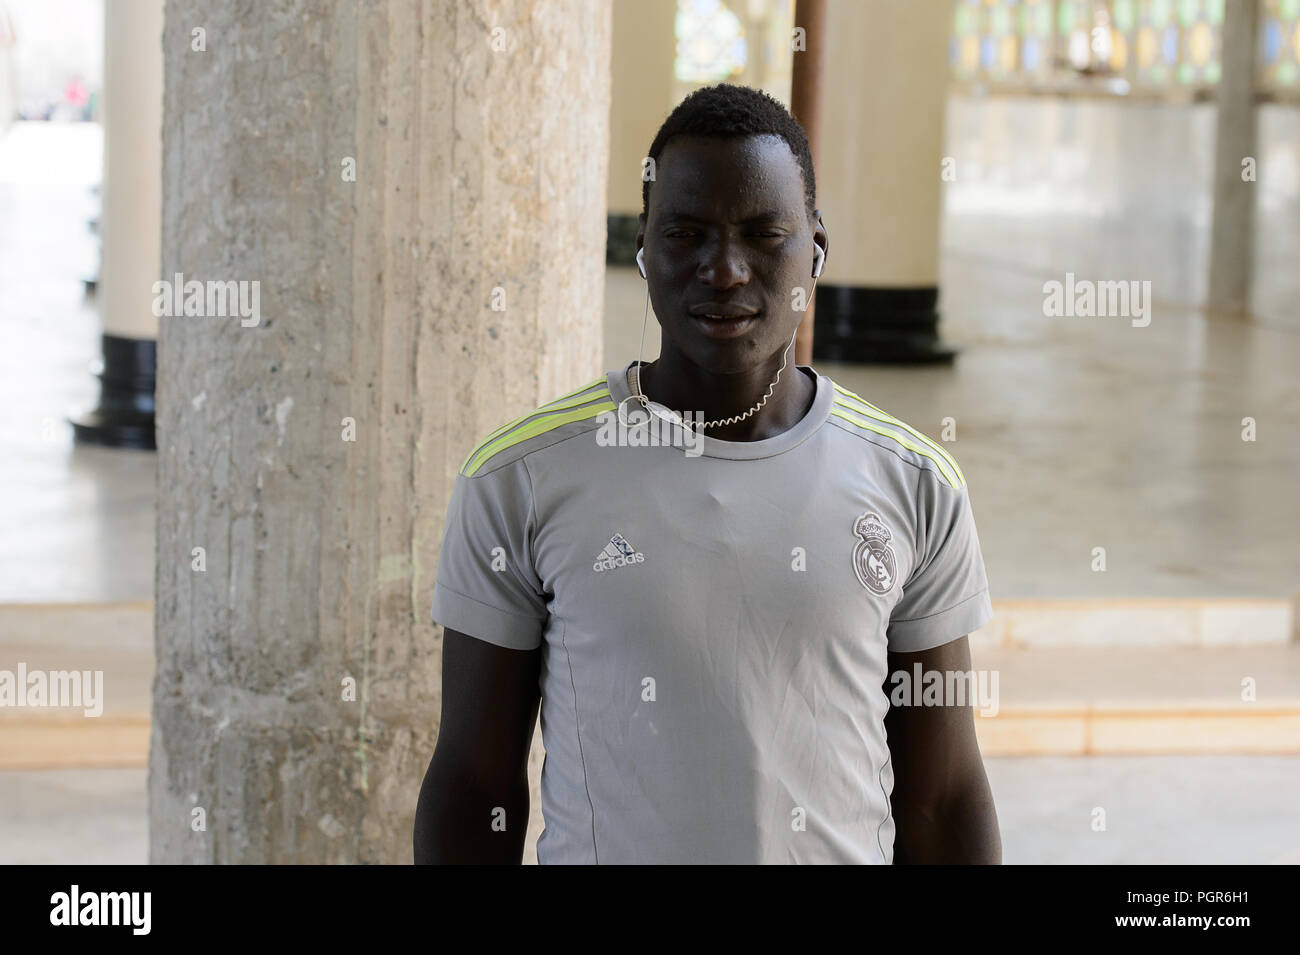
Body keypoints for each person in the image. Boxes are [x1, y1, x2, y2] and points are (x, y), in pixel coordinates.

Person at [414, 83, 1000, 864]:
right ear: (644, 249)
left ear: (815, 249)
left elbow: (945, 794)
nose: (723, 269)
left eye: (764, 234)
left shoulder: (914, 483)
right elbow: (475, 785)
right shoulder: (520, 479)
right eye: (686, 233)